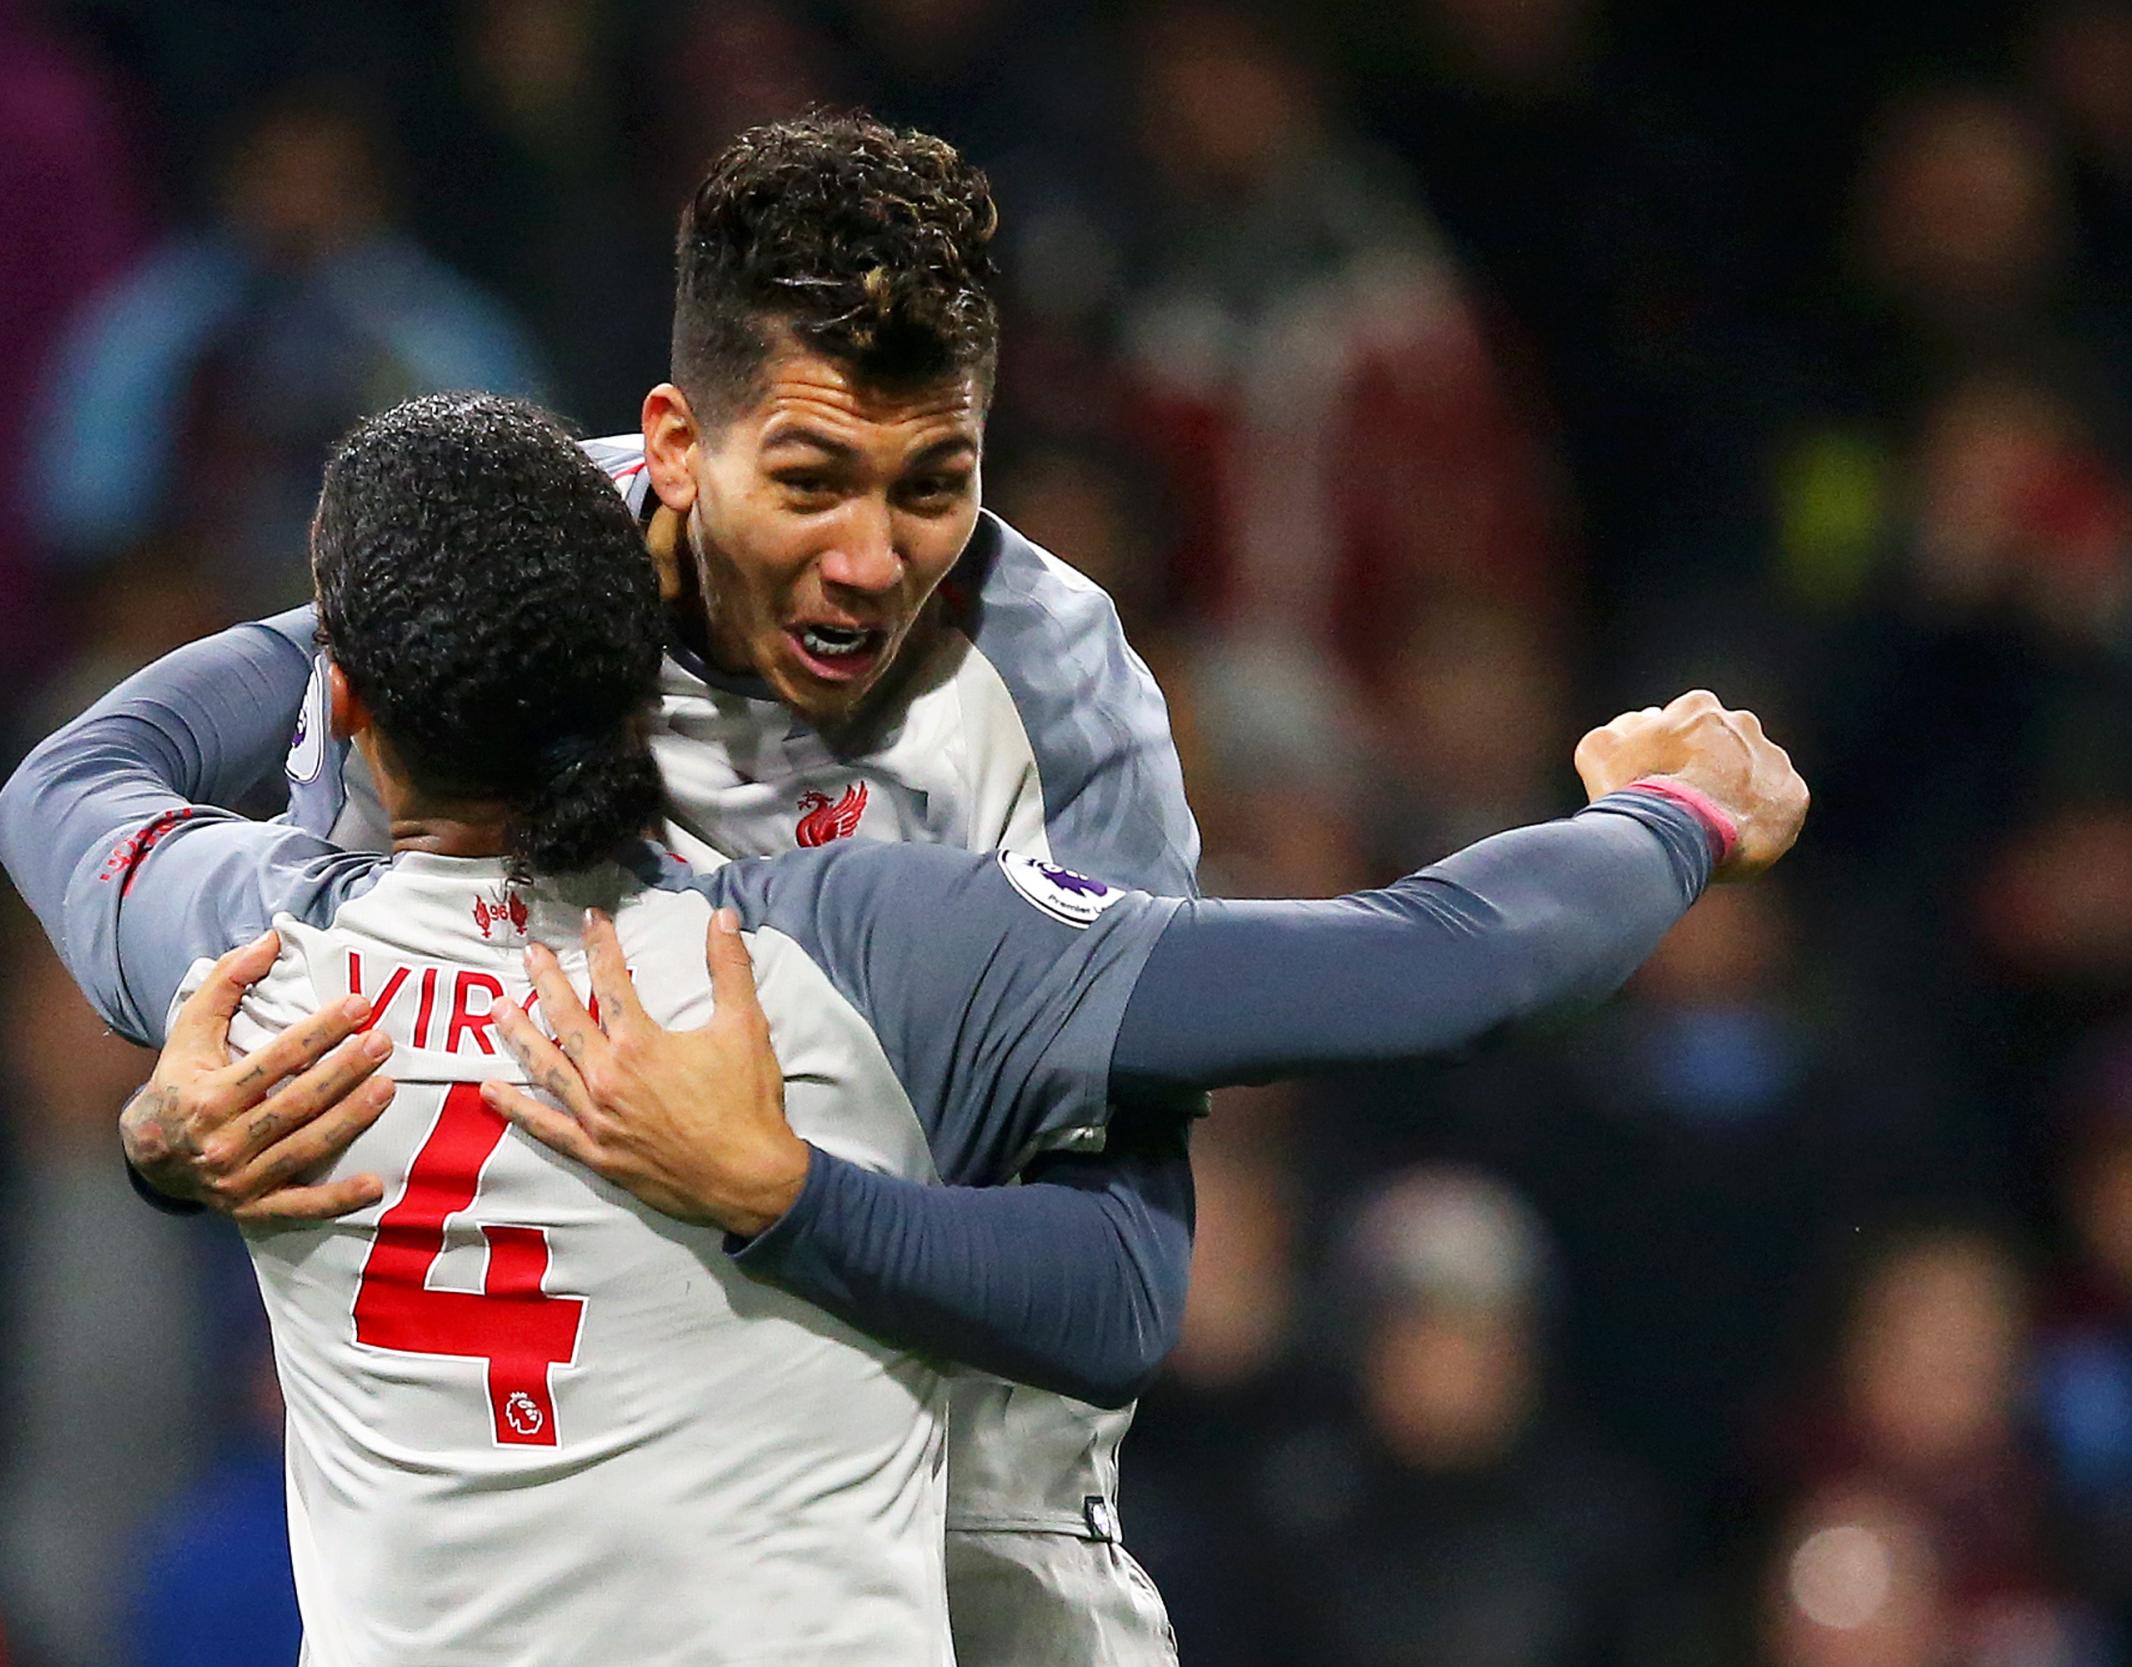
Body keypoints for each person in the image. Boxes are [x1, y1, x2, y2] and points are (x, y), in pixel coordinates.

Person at [108, 112, 1795, 1665]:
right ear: (678, 448)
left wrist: (777, 1193)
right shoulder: (483, 604)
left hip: (955, 1564)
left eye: (937, 484)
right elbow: (312, 998)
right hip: (534, 1529)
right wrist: (174, 1136)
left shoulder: (1058, 702)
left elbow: (1122, 1291)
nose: (871, 560)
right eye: (815, 481)